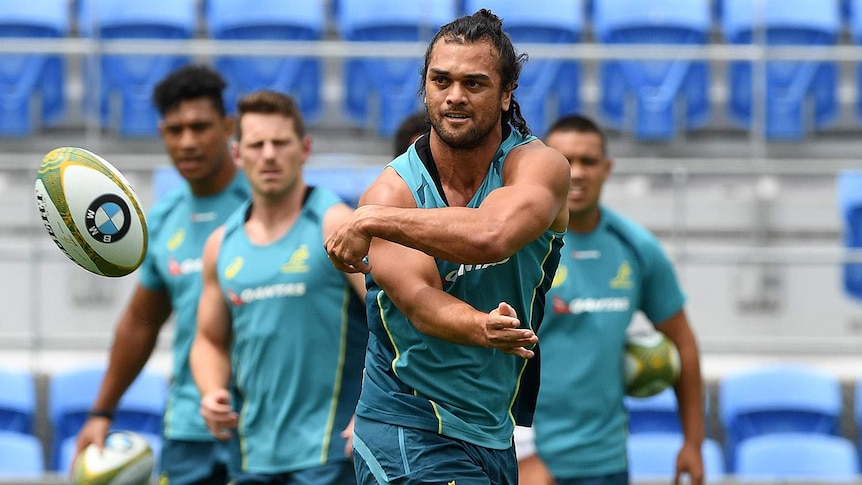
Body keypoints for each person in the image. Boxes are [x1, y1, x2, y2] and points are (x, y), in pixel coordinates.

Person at [324, 9, 571, 485]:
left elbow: (492, 235)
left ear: (506, 95)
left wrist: (373, 222)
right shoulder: (392, 191)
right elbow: (420, 304)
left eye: (474, 83)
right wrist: (483, 327)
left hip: (492, 430)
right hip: (406, 421)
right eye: (441, 80)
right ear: (426, 87)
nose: (454, 96)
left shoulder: (540, 167)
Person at [74, 64, 250, 484]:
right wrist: (102, 411)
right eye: (175, 130)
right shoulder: (163, 220)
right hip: (188, 428)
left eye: (200, 127)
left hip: (264, 428)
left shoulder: (268, 204)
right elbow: (140, 322)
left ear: (228, 126)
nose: (187, 142)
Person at [515, 114, 705, 485]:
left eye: (588, 161)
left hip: (606, 462)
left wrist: (694, 442)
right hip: (529, 462)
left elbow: (684, 342)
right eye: (565, 161)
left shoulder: (636, 247)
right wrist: (521, 449)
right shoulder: (519, 245)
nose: (578, 172)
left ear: (607, 168)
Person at [189, 90, 368, 484]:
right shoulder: (221, 244)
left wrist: (374, 409)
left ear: (304, 149)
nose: (268, 154)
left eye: (280, 143)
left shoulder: (336, 223)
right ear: (238, 155)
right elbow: (208, 340)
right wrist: (210, 392)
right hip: (251, 455)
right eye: (256, 144)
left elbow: (390, 318)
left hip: (331, 451)